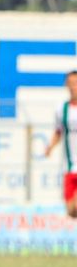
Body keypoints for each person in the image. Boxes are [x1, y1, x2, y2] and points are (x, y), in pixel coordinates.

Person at [43, 70, 77, 218]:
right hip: (69, 167)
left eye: (75, 83)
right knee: (71, 212)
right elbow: (58, 132)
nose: (73, 87)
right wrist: (50, 147)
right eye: (70, 83)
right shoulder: (62, 110)